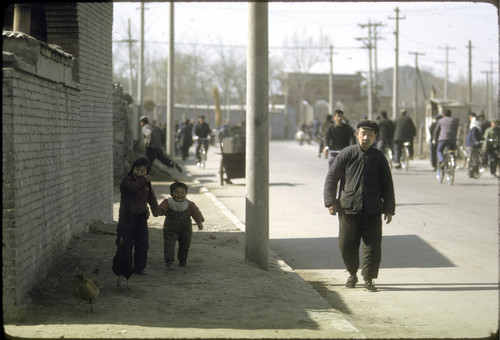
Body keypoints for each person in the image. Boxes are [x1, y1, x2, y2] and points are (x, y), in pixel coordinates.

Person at [324, 120, 395, 292]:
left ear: (375, 137)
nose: (366, 137)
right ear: (357, 134)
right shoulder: (346, 154)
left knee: (372, 245)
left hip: (372, 209)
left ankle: (368, 278)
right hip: (348, 208)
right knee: (347, 243)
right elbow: (332, 178)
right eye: (363, 134)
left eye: (370, 135)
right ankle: (352, 273)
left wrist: (389, 208)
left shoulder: (379, 157)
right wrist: (330, 201)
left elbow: (387, 184)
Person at [115, 157, 159, 275]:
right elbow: (132, 188)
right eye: (137, 169)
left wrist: (156, 211)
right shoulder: (127, 181)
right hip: (127, 218)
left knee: (142, 243)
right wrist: (144, 180)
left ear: (147, 172)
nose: (140, 172)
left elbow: (151, 197)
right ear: (133, 169)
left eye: (143, 171)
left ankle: (140, 266)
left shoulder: (146, 183)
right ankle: (125, 267)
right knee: (126, 243)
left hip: (141, 217)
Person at [159, 180, 205, 268]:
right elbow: (162, 208)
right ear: (171, 194)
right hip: (170, 228)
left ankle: (182, 260)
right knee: (169, 243)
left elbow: (196, 212)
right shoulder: (168, 202)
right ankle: (169, 260)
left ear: (186, 194)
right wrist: (160, 211)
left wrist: (199, 222)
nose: (179, 195)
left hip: (186, 229)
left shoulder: (189, 204)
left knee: (185, 244)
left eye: (182, 193)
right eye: (176, 192)